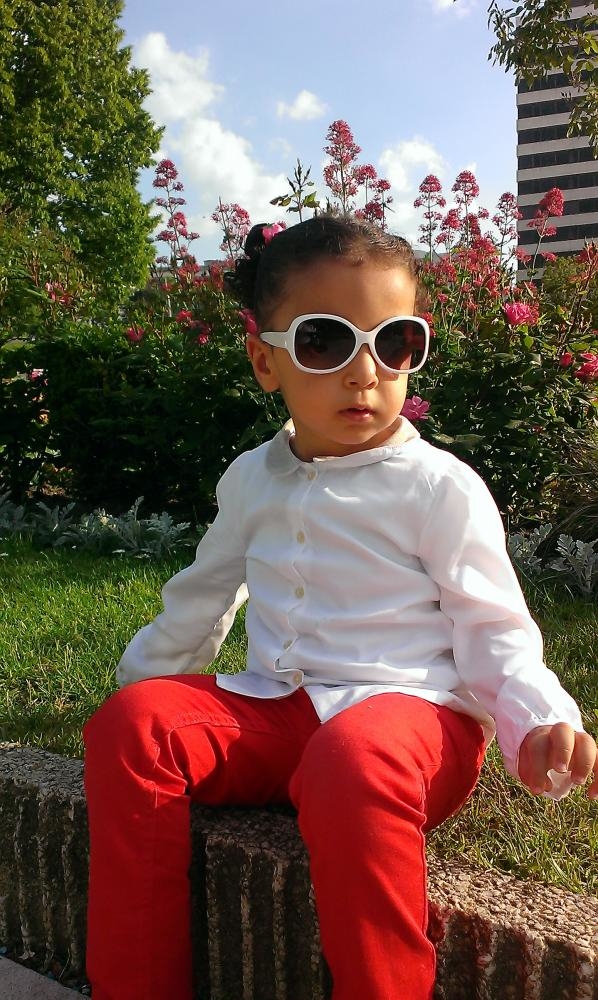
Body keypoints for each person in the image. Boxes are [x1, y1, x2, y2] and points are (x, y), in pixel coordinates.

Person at [83, 215, 597, 1000]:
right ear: (265, 359)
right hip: (282, 710)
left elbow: (492, 625)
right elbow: (204, 592)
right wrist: (147, 683)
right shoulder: (251, 478)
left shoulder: (439, 487)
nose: (365, 373)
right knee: (133, 727)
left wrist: (537, 717)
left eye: (395, 343)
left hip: (412, 724)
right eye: (324, 343)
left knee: (351, 759)